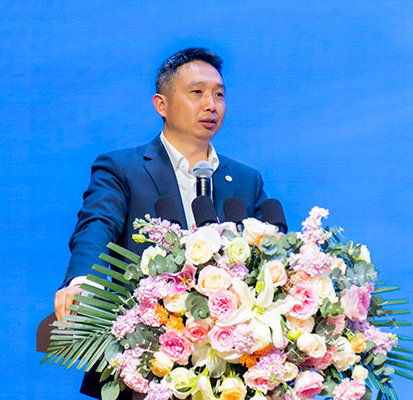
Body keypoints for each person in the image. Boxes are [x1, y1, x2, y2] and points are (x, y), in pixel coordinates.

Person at [53, 47, 268, 399]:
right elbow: (97, 224)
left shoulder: (246, 179)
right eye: (197, 92)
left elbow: (265, 255)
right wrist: (83, 282)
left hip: (231, 367)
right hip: (148, 359)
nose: (211, 105)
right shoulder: (122, 168)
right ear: (161, 105)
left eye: (219, 95)